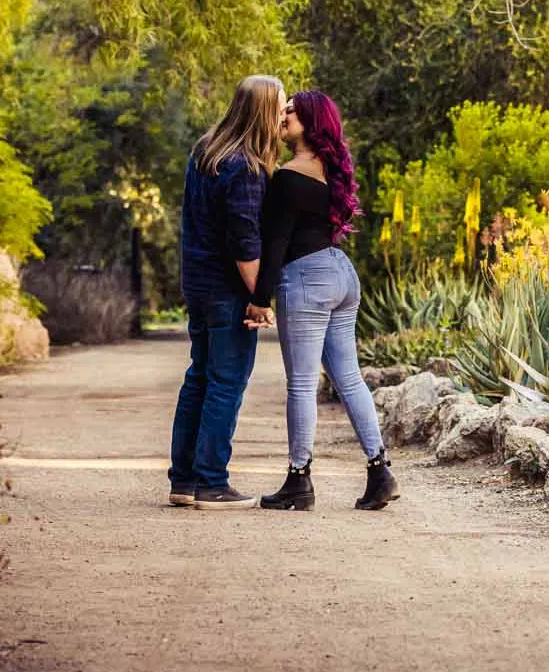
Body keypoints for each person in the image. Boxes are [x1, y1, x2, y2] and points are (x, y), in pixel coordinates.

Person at [243, 90, 396, 512]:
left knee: (303, 383)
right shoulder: (334, 170)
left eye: (292, 110)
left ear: (312, 122)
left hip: (308, 277)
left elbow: (276, 243)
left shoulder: (289, 176)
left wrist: (259, 298)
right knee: (349, 377)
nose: (284, 114)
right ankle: (380, 471)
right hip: (341, 272)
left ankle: (298, 480)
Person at [167, 75, 284, 510]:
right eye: (280, 107)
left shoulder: (206, 152)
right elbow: (244, 242)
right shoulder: (247, 167)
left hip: (196, 281)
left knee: (199, 375)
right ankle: (212, 482)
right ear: (262, 111)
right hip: (226, 288)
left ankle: (183, 480)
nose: (283, 116)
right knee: (226, 382)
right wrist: (261, 297)